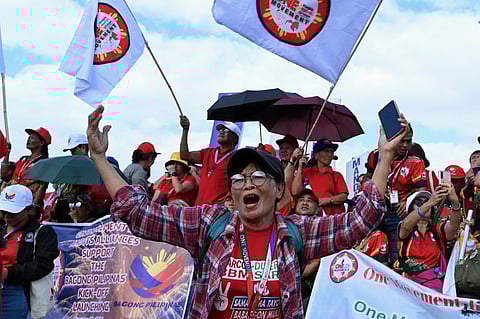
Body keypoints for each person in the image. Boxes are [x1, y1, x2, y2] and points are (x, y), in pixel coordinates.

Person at [87, 105, 409, 319]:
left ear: (278, 189)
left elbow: (359, 220)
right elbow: (139, 212)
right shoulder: (209, 224)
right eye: (239, 178)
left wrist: (384, 158)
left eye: (257, 176)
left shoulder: (297, 232)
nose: (246, 184)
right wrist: (100, 158)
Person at [366, 125, 427, 264]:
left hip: (399, 214)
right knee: (375, 252)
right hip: (376, 211)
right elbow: (368, 177)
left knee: (396, 255)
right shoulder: (376, 156)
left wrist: (407, 202)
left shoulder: (416, 162)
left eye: (409, 141)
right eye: (402, 141)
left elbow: (421, 193)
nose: (405, 145)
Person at [0, 184, 59, 319]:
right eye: (4, 211)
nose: (8, 216)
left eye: (14, 213)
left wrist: (8, 273)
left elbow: (43, 265)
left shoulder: (42, 232)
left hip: (18, 290)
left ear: (28, 210)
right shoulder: (1, 230)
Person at [395, 185, 461, 291]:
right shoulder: (405, 227)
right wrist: (430, 202)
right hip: (408, 285)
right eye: (419, 202)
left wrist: (455, 202)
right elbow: (405, 226)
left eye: (427, 201)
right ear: (410, 208)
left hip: (435, 285)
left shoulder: (437, 230)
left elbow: (453, 228)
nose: (425, 204)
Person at [180, 117, 240, 205]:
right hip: (199, 207)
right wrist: (185, 130)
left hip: (218, 211)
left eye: (226, 130)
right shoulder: (208, 152)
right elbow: (184, 155)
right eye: (220, 130)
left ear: (235, 138)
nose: (221, 132)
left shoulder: (236, 158)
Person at [292, 138, 348, 216]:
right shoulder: (306, 172)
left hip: (328, 221)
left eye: (331, 152)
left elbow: (344, 196)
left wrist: (328, 200)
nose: (329, 154)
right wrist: (300, 167)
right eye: (326, 151)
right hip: (306, 219)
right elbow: (295, 192)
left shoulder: (336, 175)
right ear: (316, 155)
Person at [1, 127, 51, 207]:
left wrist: (33, 206)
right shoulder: (23, 159)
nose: (28, 139)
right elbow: (4, 174)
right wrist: (7, 152)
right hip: (12, 201)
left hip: (27, 205)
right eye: (28, 137)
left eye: (32, 138)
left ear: (41, 143)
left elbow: (42, 187)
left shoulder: (44, 163)